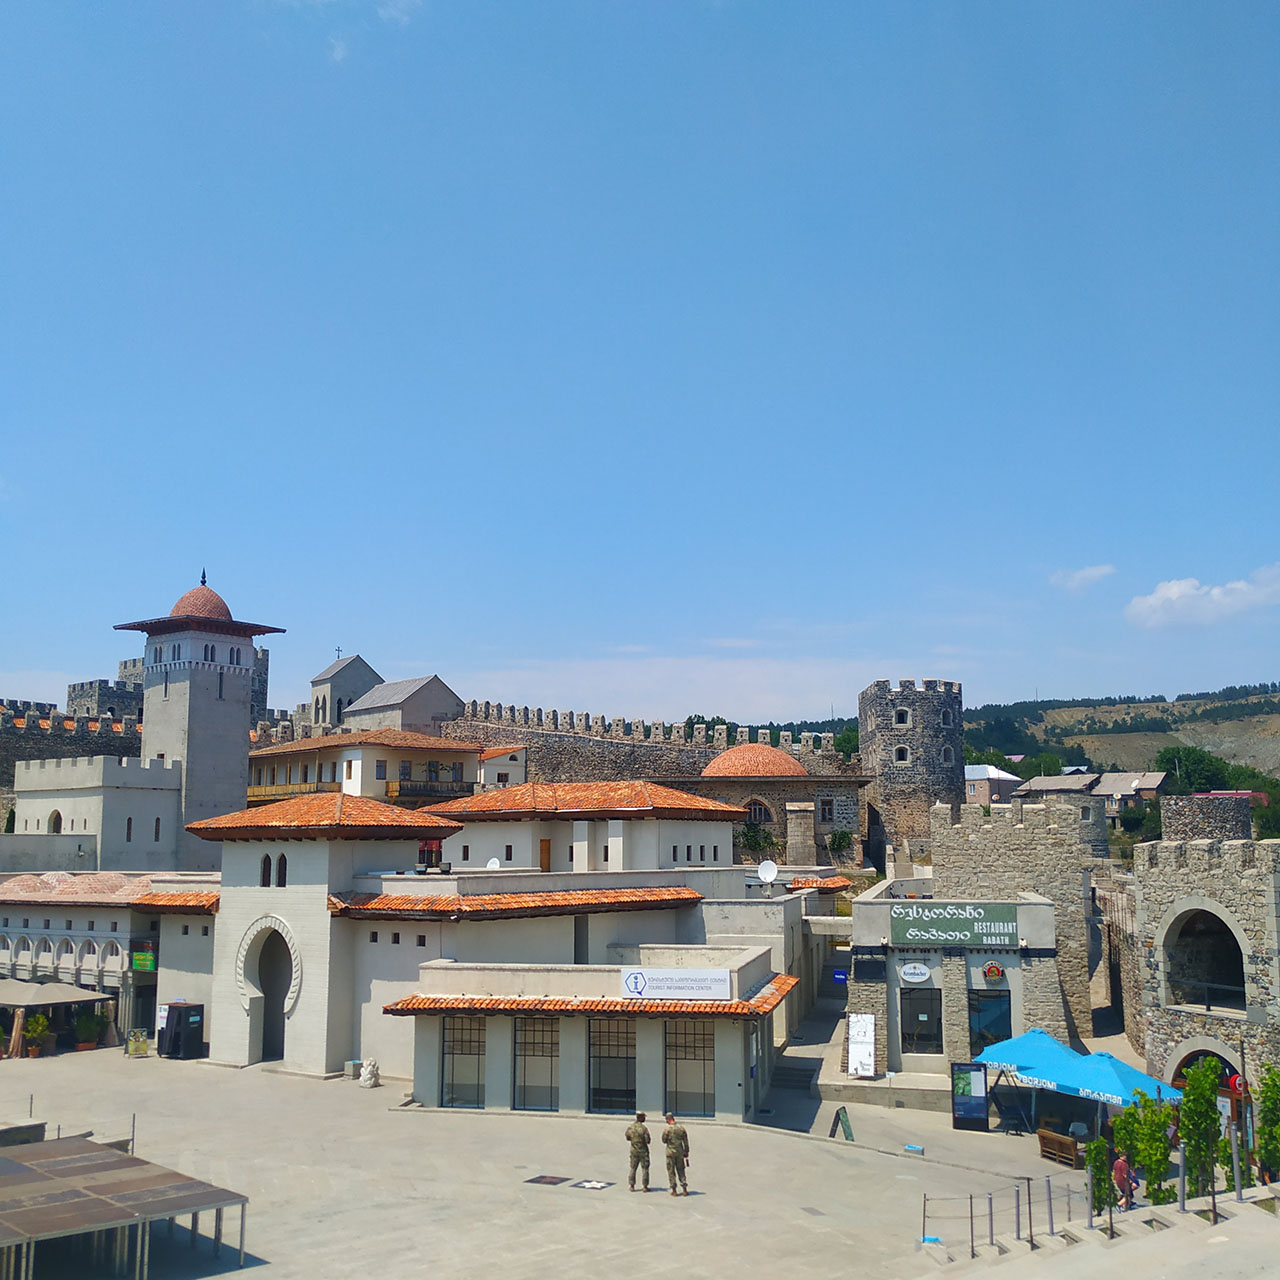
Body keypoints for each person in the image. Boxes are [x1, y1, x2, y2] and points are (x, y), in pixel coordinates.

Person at [662, 1112, 690, 1196]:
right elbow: (686, 1141)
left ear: (668, 1119)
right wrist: (686, 1151)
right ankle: (684, 1189)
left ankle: (674, 1190)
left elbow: (664, 1140)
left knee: (671, 1171)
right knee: (681, 1170)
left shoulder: (667, 1129)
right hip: (680, 1152)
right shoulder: (681, 1128)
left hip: (670, 1153)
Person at [625, 1112, 651, 1192]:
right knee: (645, 1169)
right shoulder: (644, 1128)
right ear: (640, 1118)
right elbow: (648, 1140)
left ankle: (632, 1186)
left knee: (633, 1168)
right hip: (643, 1151)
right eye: (643, 1117)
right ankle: (645, 1186)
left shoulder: (631, 1127)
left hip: (634, 1151)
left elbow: (627, 1137)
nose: (645, 1118)